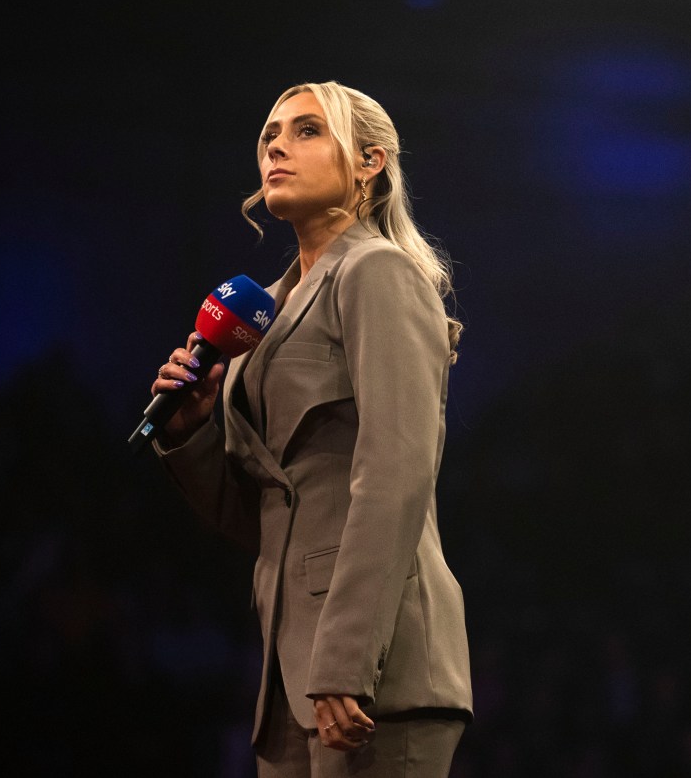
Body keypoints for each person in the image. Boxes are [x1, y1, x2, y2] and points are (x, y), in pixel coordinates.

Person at [150, 81, 473, 777]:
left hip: (374, 669)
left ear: (369, 163)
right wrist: (194, 430)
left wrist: (348, 660)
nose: (276, 146)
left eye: (305, 131)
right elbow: (262, 517)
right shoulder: (261, 311)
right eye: (269, 134)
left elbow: (396, 469)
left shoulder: (378, 271)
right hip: (289, 675)